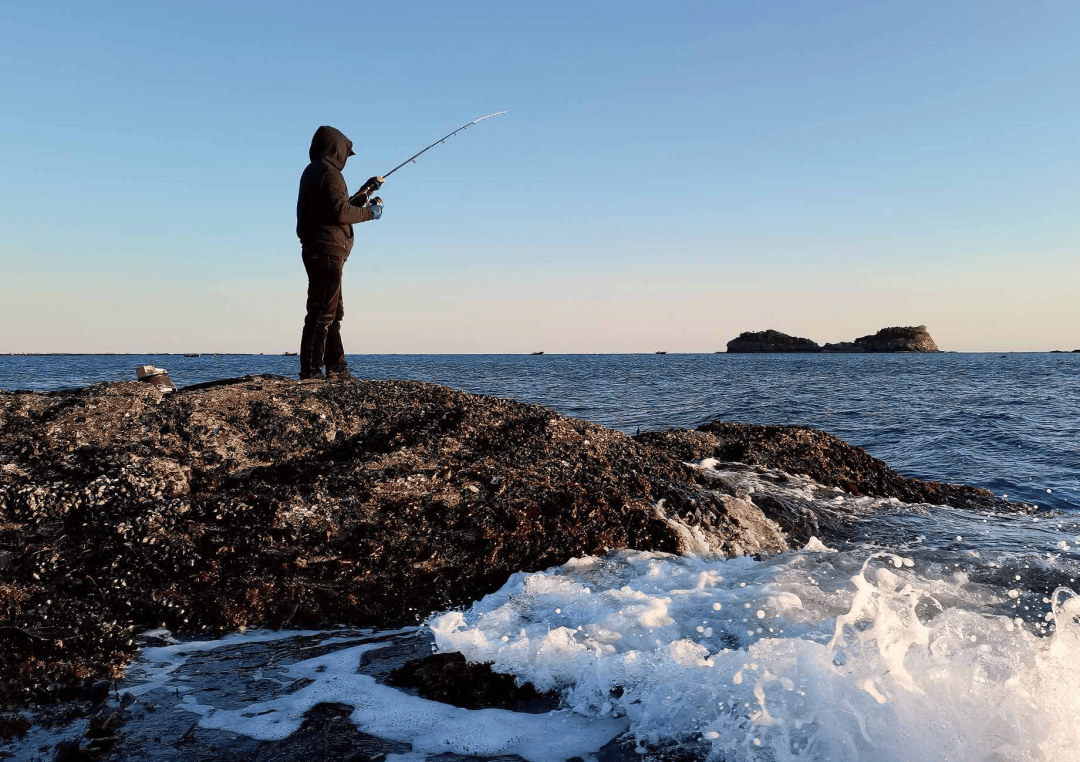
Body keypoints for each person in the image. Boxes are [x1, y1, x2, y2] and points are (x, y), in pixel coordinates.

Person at [296, 125, 384, 380]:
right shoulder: (330, 173)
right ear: (336, 150)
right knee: (323, 312)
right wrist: (372, 213)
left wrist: (367, 190)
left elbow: (337, 207)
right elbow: (341, 213)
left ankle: (337, 368)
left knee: (332, 311)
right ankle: (311, 372)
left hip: (321, 248)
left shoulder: (315, 172)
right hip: (327, 250)